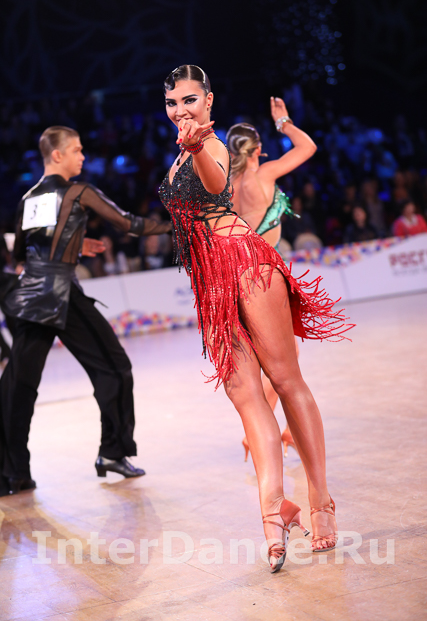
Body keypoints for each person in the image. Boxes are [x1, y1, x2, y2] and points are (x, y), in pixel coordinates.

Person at [158, 65, 353, 572]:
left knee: (285, 381)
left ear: (209, 100)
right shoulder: (180, 152)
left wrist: (199, 147)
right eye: (172, 102)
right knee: (246, 398)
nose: (180, 110)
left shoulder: (210, 145)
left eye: (189, 99)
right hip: (211, 285)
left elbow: (215, 182)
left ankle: (321, 501)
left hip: (246, 265)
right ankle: (273, 512)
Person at [0, 125, 171, 497]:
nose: (83, 156)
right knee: (115, 368)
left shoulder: (28, 199)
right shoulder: (79, 191)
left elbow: (22, 254)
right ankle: (113, 452)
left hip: (30, 298)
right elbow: (129, 224)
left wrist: (75, 246)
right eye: (77, 150)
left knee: (17, 388)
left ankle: (11, 474)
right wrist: (180, 225)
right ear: (57, 155)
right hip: (62, 294)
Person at [226, 102, 317, 462]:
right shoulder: (263, 174)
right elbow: (308, 147)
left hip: (239, 272)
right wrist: (284, 122)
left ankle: (281, 431)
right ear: (258, 149)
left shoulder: (225, 185)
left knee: (277, 360)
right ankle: (257, 434)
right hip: (264, 272)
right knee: (284, 362)